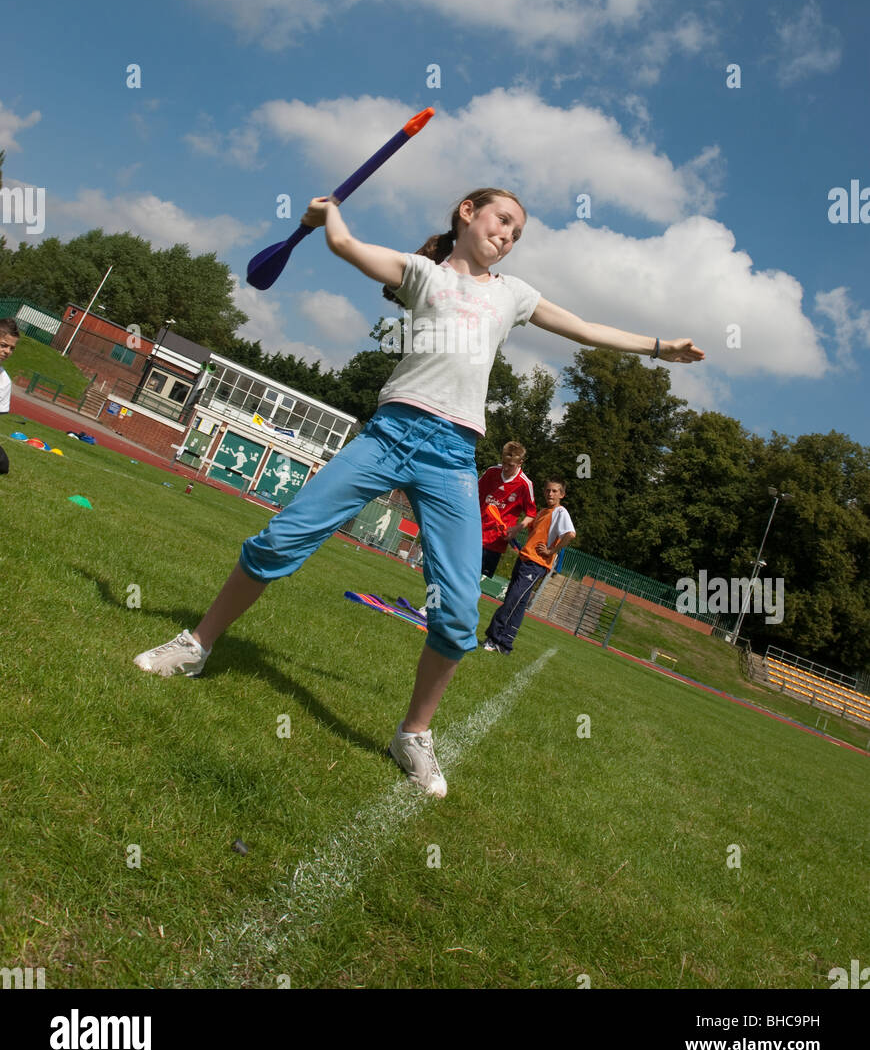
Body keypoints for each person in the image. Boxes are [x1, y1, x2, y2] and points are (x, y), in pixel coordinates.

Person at [133, 186, 704, 796]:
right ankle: (197, 644)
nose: (508, 234)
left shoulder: (512, 294)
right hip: (390, 434)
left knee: (459, 615)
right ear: (467, 213)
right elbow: (348, 247)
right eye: (502, 219)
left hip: (453, 457)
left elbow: (585, 330)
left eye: (518, 231)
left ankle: (414, 735)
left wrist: (657, 347)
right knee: (280, 540)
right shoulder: (424, 275)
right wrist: (328, 216)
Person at [483, 479, 575, 654]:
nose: (550, 494)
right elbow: (529, 527)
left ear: (562, 495)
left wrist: (552, 550)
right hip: (524, 559)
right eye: (548, 490)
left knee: (512, 600)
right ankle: (505, 644)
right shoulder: (543, 512)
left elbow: (570, 534)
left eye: (555, 491)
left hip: (536, 564)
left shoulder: (560, 512)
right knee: (517, 603)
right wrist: (512, 532)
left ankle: (493, 638)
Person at [479, 441, 536, 579]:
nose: (505, 468)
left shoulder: (524, 484)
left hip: (494, 542)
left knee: (476, 582)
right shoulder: (491, 472)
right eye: (503, 462)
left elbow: (531, 515)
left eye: (510, 465)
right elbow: (473, 495)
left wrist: (516, 529)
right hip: (474, 533)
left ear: (520, 463)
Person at [0, 318, 20, 476]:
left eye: (11, 348)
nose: (7, 351)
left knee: (3, 464)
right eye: (3, 345)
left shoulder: (4, 381)